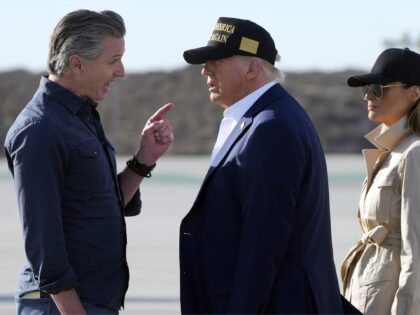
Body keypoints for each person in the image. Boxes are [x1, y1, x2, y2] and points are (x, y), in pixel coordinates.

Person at [4, 9, 174, 315]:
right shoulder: (40, 130)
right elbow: (44, 241)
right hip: (63, 306)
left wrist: (143, 160)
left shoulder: (80, 117)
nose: (121, 71)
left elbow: (98, 206)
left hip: (93, 303)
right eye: (113, 61)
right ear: (77, 63)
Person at [179, 17, 343, 314]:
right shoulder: (261, 118)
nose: (205, 70)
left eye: (216, 60)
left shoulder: (271, 127)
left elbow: (264, 241)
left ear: (252, 68)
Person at [341, 47, 420, 314]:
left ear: (414, 93)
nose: (367, 95)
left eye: (378, 87)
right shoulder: (391, 153)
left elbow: (417, 254)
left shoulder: (415, 153)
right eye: (366, 88)